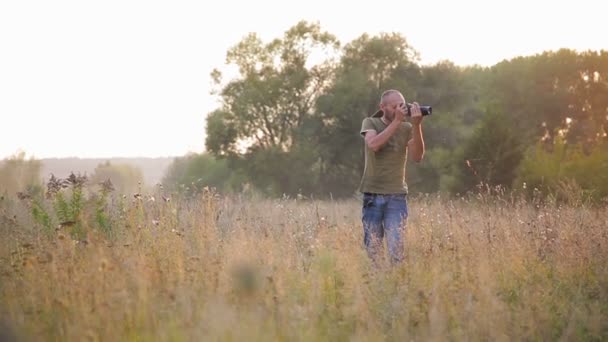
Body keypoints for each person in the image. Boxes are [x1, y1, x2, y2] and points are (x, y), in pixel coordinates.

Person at [359, 89, 425, 264]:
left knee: (396, 249)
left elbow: (417, 157)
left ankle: (396, 284)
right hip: (372, 194)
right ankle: (376, 285)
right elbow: (374, 145)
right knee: (373, 250)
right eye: (395, 106)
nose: (400, 110)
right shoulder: (370, 122)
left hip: (397, 196)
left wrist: (417, 126)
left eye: (402, 106)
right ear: (383, 107)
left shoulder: (407, 128)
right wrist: (396, 121)